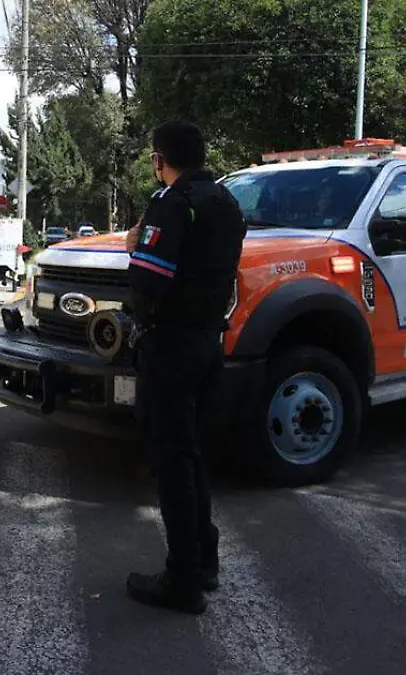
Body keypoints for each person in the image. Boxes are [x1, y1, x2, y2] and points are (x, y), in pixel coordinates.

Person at [124, 121, 246, 615]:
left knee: (172, 461)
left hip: (170, 347)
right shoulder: (226, 203)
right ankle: (204, 560)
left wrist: (134, 247)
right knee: (192, 455)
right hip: (208, 343)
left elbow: (148, 281)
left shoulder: (171, 203)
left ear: (161, 159)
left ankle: (182, 580)